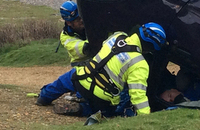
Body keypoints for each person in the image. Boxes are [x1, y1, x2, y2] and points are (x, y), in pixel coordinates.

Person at [36, 22, 167, 117]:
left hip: (82, 79)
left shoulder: (117, 36)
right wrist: (146, 116)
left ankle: (44, 96)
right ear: (150, 46)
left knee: (66, 79)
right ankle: (83, 109)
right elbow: (137, 95)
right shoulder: (140, 64)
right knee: (106, 112)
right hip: (101, 98)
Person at [58, 1, 93, 66]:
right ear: (69, 23)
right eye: (77, 20)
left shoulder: (90, 24)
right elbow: (84, 48)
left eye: (81, 17)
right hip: (80, 64)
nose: (81, 20)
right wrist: (96, 41)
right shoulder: (65, 36)